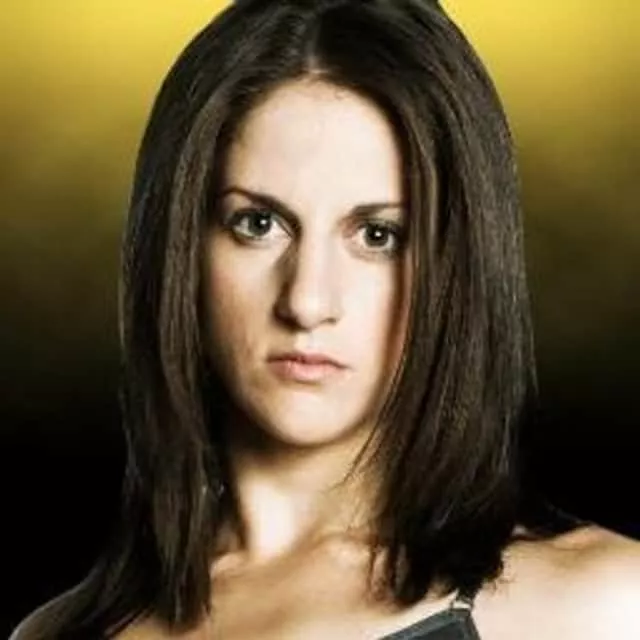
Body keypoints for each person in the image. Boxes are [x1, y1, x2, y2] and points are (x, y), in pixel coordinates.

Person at [12, 0, 640, 638]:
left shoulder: (602, 605)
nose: (308, 301)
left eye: (377, 235)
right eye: (258, 224)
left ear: (459, 264)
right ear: (181, 248)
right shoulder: (57, 633)